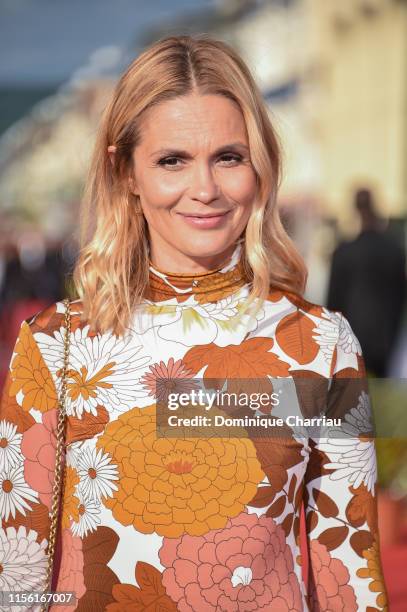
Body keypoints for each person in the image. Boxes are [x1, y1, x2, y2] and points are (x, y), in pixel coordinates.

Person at [0, 35, 388, 611]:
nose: (204, 190)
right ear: (125, 171)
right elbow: (20, 576)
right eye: (172, 160)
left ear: (259, 166)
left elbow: (350, 575)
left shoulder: (320, 346)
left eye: (228, 157)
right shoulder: (57, 347)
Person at [327, 187, 406, 377]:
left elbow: (333, 302)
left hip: (350, 341)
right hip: (385, 339)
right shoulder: (394, 251)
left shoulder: (344, 252)